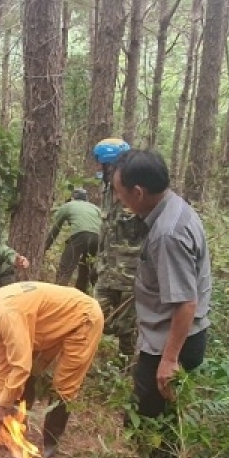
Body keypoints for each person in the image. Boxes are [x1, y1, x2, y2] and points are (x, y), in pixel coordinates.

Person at [112, 149, 211, 458]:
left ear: (138, 192)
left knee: (145, 416)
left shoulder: (168, 234)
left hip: (171, 342)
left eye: (120, 192)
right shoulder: (173, 208)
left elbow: (185, 303)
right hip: (169, 337)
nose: (120, 200)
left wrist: (169, 360)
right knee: (164, 415)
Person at [0, 282, 104, 457]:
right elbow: (4, 361)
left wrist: (2, 404)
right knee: (28, 376)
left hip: (82, 319)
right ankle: (17, 430)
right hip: (50, 326)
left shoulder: (4, 312)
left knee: (64, 385)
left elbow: (20, 365)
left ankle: (50, 443)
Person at [92, 138, 149, 361]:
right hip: (107, 273)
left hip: (131, 276)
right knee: (92, 317)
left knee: (128, 330)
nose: (99, 169)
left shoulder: (138, 194)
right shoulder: (107, 192)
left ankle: (126, 370)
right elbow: (106, 233)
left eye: (101, 165)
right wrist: (98, 264)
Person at [46, 187, 102, 292]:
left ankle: (58, 294)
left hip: (80, 234)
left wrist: (45, 247)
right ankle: (82, 294)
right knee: (86, 267)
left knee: (66, 267)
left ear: (73, 197)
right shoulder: (95, 208)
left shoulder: (68, 206)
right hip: (98, 237)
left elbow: (55, 228)